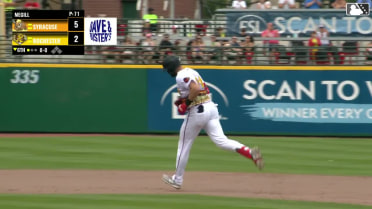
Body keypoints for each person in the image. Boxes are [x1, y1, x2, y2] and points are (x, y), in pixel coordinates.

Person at [161, 56, 264, 189]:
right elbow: (198, 89)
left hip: (198, 111)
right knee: (222, 141)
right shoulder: (190, 71)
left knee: (184, 145)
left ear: (170, 68)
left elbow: (196, 89)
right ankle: (249, 152)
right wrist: (183, 99)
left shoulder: (180, 76)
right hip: (211, 108)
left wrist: (185, 103)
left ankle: (178, 179)